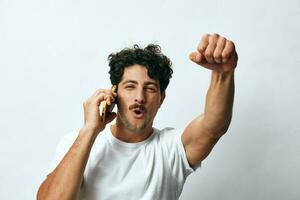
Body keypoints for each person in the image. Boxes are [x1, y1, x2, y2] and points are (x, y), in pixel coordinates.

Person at [37, 33, 238, 200]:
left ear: (161, 98)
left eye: (150, 88)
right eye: (130, 87)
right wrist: (89, 130)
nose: (139, 97)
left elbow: (213, 127)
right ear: (114, 93)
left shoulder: (171, 148)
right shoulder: (76, 143)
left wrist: (223, 74)